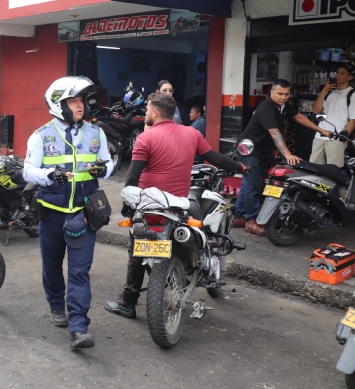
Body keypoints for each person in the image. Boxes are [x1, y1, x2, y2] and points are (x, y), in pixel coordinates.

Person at [104, 92, 248, 320]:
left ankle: (128, 303)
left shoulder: (146, 138)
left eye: (147, 109)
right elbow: (215, 158)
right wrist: (240, 168)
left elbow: (131, 180)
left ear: (155, 112)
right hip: (178, 206)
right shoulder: (192, 133)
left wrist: (126, 207)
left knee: (136, 252)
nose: (146, 114)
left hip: (149, 207)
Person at [23, 76, 113, 350]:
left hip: (84, 214)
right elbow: (28, 170)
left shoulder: (96, 134)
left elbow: (109, 164)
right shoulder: (41, 136)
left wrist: (103, 169)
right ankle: (55, 305)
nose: (79, 106)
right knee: (51, 266)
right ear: (57, 104)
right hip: (51, 213)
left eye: (81, 101)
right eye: (72, 101)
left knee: (79, 271)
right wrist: (51, 175)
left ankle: (78, 326)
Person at [233, 79, 330, 236]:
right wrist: (287, 154)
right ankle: (252, 221)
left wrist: (321, 130)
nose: (283, 97)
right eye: (280, 94)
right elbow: (275, 133)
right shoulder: (266, 108)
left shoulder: (283, 106)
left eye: (286, 94)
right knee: (252, 186)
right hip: (249, 149)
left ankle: (238, 216)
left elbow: (298, 117)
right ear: (271, 92)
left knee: (248, 183)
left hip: (261, 149)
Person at [310, 62, 355, 167]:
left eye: (342, 73)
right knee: (314, 168)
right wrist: (324, 91)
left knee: (333, 170)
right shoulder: (329, 92)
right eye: (337, 72)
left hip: (336, 138)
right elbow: (316, 110)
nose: (338, 75)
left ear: (350, 77)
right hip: (320, 135)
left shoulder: (352, 95)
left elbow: (353, 120)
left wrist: (342, 139)